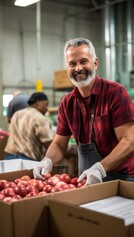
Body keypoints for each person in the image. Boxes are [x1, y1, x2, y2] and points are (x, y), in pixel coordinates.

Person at [33, 37, 134, 185]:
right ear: (67, 68)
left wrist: (100, 168)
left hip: (122, 178)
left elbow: (129, 140)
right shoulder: (67, 103)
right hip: (87, 179)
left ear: (95, 63)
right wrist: (47, 160)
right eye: (72, 64)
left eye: (83, 61)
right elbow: (60, 144)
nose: (78, 68)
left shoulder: (115, 93)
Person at [5, 92, 52, 161]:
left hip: (9, 157)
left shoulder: (17, 114)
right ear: (37, 103)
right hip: (27, 161)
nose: (47, 109)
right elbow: (48, 143)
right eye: (46, 104)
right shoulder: (40, 118)